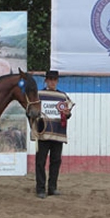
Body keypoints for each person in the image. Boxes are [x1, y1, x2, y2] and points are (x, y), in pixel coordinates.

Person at [32, 70, 73, 199]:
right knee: (40, 162)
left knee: (56, 161)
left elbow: (68, 114)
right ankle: (40, 189)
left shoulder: (63, 96)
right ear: (46, 81)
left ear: (57, 81)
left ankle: (52, 187)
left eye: (54, 80)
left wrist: (67, 113)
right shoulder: (39, 95)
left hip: (57, 134)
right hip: (43, 134)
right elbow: (32, 111)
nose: (52, 82)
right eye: (50, 79)